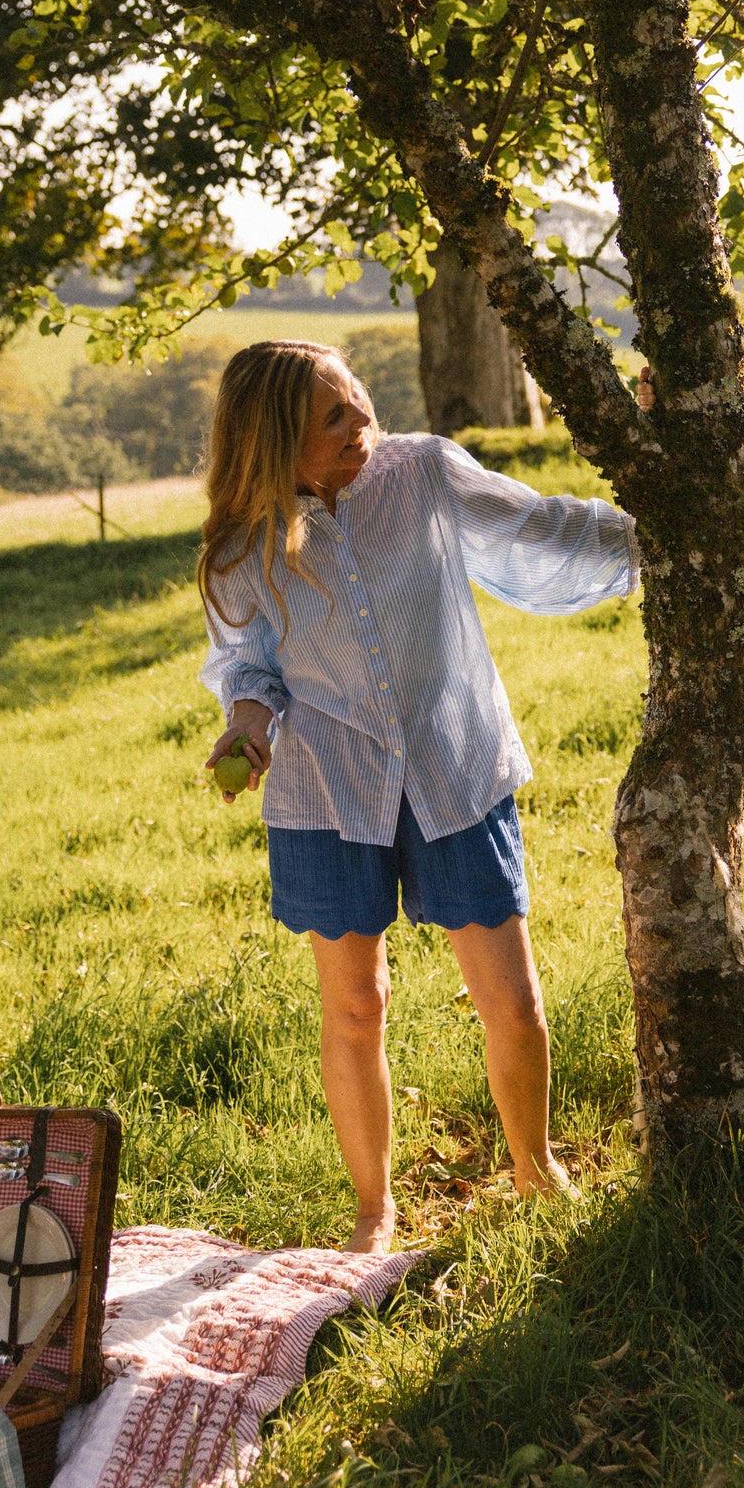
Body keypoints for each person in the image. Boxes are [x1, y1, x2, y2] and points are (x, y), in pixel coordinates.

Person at [198, 339, 638, 1253]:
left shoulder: (424, 472)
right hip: (329, 790)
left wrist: (657, 527)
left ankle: (534, 1168)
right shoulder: (241, 549)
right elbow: (250, 666)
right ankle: (374, 1211)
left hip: (454, 763)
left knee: (509, 998)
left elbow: (534, 528)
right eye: (334, 416)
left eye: (359, 400)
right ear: (276, 439)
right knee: (355, 1007)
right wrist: (247, 727)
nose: (363, 422)